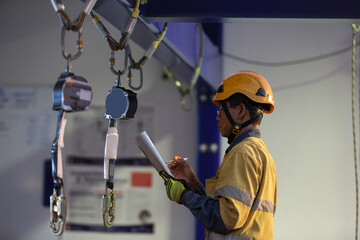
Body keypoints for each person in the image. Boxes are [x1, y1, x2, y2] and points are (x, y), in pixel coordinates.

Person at [160, 70, 277, 240]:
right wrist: (192, 183)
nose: (218, 116)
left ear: (241, 111)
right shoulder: (260, 153)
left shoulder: (242, 153)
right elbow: (227, 210)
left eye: (222, 109)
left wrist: (184, 195)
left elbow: (227, 218)